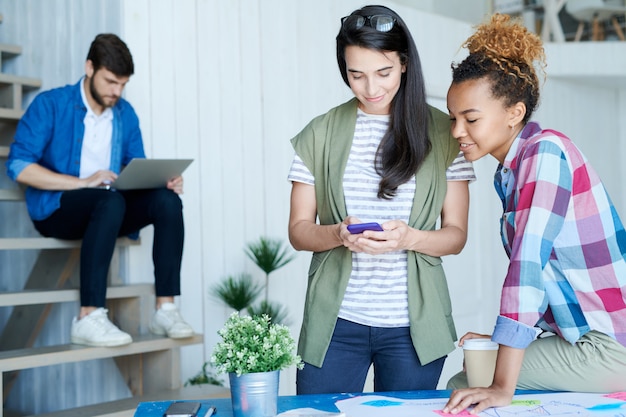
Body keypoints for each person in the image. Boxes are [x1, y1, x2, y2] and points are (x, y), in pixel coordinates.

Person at [287, 5, 475, 394]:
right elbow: (299, 231)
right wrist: (338, 234)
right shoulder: (318, 134)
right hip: (335, 324)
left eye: (383, 73)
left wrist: (410, 239)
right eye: (356, 75)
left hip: (414, 328)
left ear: (404, 64)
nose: (371, 88)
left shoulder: (444, 134)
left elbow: (455, 235)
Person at [444, 14, 626, 414]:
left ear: (514, 112)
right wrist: (498, 340)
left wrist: (501, 385)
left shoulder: (545, 154)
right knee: (477, 367)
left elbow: (526, 270)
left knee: (468, 384)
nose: (457, 130)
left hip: (613, 345)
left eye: (470, 119)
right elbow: (552, 282)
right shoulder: (511, 170)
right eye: (453, 117)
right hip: (586, 336)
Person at [6, 33, 194, 347]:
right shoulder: (51, 104)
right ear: (89, 67)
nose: (116, 92)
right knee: (108, 202)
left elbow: (136, 168)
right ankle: (88, 316)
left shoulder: (125, 113)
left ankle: (165, 308)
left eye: (122, 84)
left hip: (109, 207)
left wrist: (162, 181)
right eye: (110, 82)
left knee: (166, 201)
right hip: (57, 208)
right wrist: (82, 183)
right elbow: (19, 166)